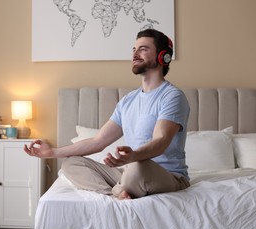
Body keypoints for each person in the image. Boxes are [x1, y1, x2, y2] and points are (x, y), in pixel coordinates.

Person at [24, 29, 190, 199]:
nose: (135, 54)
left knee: (138, 169)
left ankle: (121, 188)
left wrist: (133, 156)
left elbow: (160, 142)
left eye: (143, 49)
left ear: (164, 57)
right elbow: (98, 141)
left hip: (165, 175)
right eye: (134, 49)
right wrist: (52, 152)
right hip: (130, 171)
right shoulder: (127, 101)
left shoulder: (172, 96)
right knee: (71, 163)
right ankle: (115, 193)